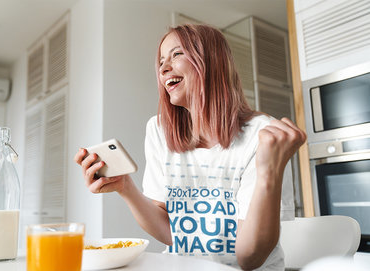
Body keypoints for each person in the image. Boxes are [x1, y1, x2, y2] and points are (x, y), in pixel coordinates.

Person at [74, 24, 306, 271]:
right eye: (161, 61)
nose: (163, 68)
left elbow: (249, 257)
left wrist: (270, 172)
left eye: (176, 54)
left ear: (212, 62)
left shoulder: (264, 136)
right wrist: (125, 188)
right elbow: (173, 233)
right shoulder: (159, 130)